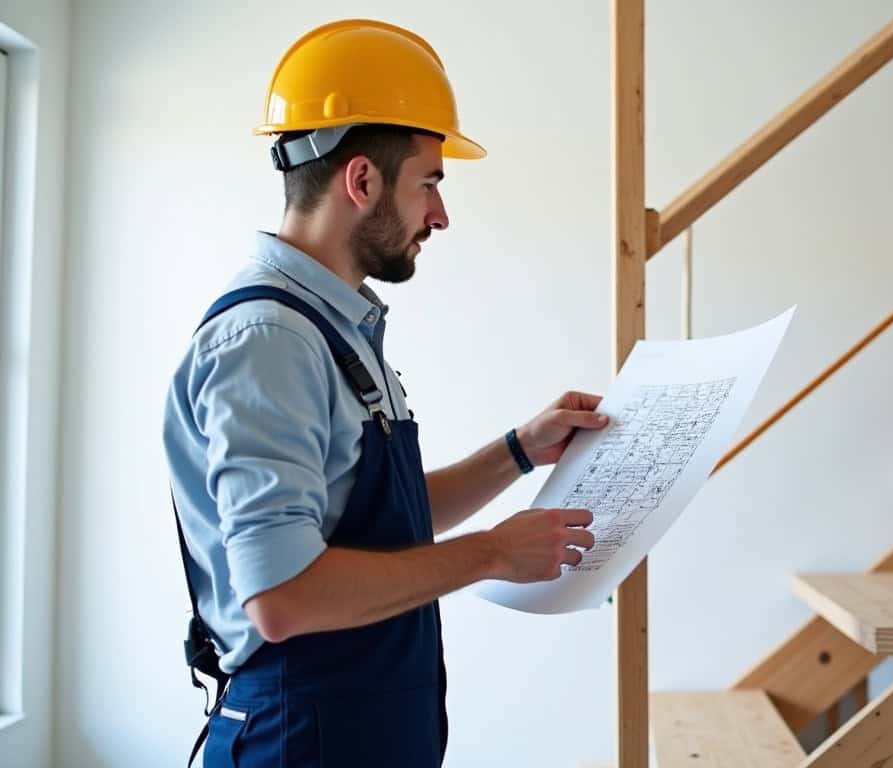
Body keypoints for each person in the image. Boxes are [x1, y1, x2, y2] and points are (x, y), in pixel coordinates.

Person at [163, 19, 603, 767]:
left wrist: (518, 453)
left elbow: (377, 522)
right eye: (429, 182)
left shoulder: (334, 328)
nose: (440, 214)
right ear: (362, 181)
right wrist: (492, 552)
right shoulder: (271, 341)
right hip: (301, 737)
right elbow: (284, 597)